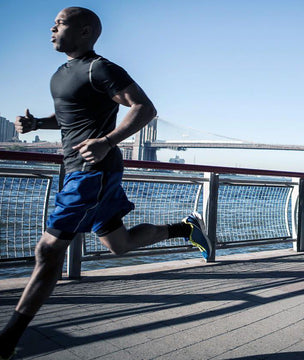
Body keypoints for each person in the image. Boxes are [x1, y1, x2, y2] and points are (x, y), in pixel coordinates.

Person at [0, 7, 212, 360]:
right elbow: (71, 114)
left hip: (92, 173)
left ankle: (8, 339)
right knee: (119, 244)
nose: (51, 28)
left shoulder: (102, 68)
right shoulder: (61, 73)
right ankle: (185, 229)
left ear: (85, 32)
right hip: (75, 170)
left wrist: (108, 141)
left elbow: (144, 107)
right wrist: (38, 122)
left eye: (59, 23)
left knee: (48, 251)